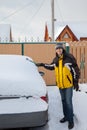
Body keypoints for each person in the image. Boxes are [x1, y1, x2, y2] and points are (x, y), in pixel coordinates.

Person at [36, 43, 80, 129]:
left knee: (68, 102)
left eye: (60, 48)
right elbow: (51, 66)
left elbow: (76, 69)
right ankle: (66, 116)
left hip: (68, 85)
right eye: (57, 49)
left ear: (63, 49)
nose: (59, 50)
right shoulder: (56, 59)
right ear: (55, 50)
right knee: (63, 101)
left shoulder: (69, 58)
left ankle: (70, 121)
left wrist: (76, 82)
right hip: (60, 85)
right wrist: (42, 64)